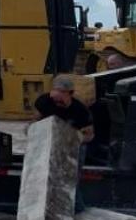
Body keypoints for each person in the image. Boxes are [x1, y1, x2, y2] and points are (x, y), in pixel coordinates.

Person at [34, 74, 92, 211]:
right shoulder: (44, 102)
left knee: (71, 180)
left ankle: (76, 209)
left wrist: (73, 139)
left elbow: (89, 135)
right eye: (55, 97)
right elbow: (35, 121)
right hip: (50, 142)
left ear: (70, 94)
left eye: (60, 99)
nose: (57, 102)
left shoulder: (80, 110)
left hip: (72, 145)